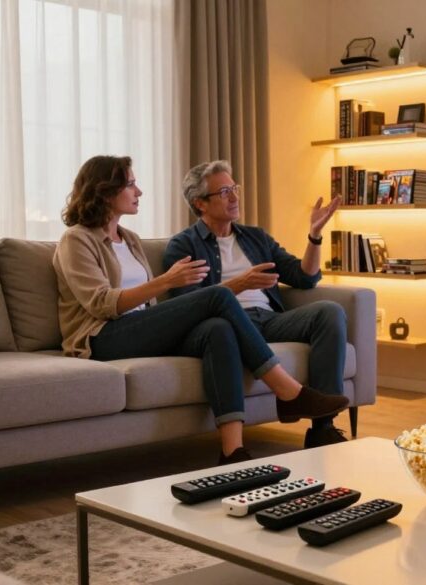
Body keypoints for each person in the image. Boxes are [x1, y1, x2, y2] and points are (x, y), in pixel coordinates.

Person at [52, 156, 349, 465]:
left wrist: (314, 235)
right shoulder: (76, 239)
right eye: (130, 184)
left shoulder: (129, 239)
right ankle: (287, 391)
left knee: (217, 330)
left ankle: (232, 451)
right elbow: (101, 303)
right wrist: (166, 281)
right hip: (101, 336)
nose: (138, 191)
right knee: (218, 298)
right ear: (105, 191)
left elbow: (304, 276)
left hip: (142, 327)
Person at [162, 160, 352, 450]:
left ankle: (323, 428)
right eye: (224, 192)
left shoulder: (255, 237)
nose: (235, 197)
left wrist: (314, 236)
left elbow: (304, 276)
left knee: (329, 311)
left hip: (269, 319)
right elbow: (188, 305)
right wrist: (241, 283)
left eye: (234, 188)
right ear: (200, 203)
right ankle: (289, 397)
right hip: (229, 325)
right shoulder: (183, 246)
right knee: (224, 322)